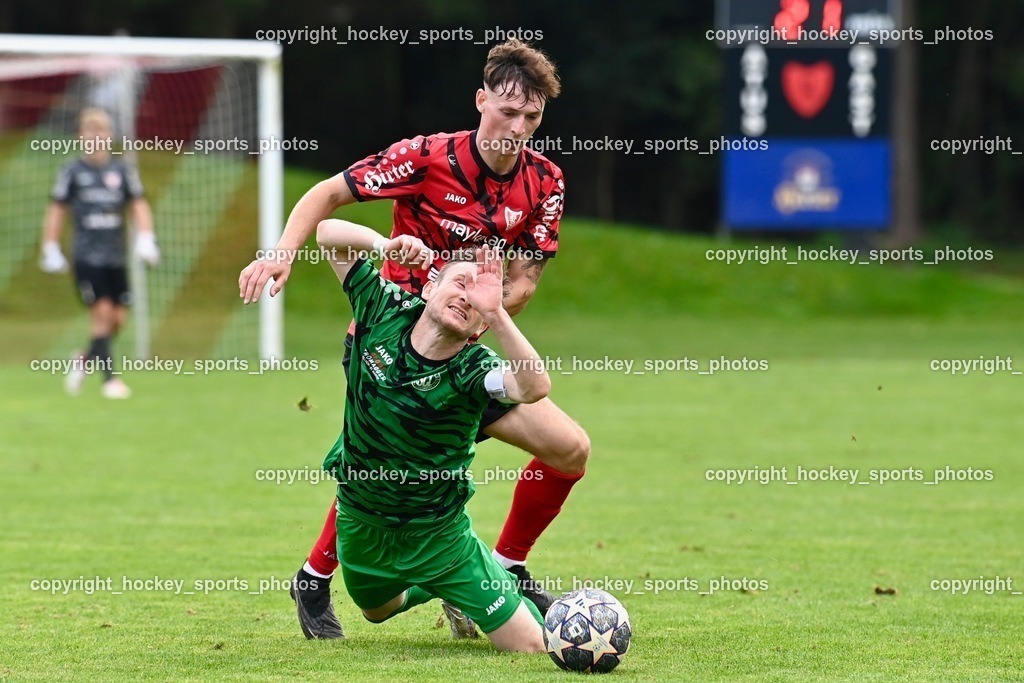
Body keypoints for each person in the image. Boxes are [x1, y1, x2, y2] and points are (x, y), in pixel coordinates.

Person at [238, 38, 589, 639]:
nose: (518, 127)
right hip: (390, 333)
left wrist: (476, 307)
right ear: (481, 101)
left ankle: (504, 565)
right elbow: (328, 196)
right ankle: (318, 574)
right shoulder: (427, 157)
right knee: (386, 466)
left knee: (569, 449)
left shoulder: (546, 182)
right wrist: (281, 254)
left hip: (462, 349)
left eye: (532, 116)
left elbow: (526, 279)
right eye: (508, 110)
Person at [312, 218, 549, 652]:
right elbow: (327, 233)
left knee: (531, 646)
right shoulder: (381, 306)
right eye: (460, 282)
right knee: (376, 611)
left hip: (440, 536)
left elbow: (534, 387)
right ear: (429, 286)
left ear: (479, 326)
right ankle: (440, 591)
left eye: (477, 300)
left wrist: (496, 312)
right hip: (361, 522)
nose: (467, 297)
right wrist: (384, 244)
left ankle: (493, 593)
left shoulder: (474, 369)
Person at [39, 107, 160, 399]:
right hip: (86, 258)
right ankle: (110, 381)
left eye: (101, 132)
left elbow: (138, 204)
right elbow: (57, 208)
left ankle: (84, 359)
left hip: (116, 258)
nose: (95, 138)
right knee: (103, 313)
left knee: (118, 320)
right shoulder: (72, 171)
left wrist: (146, 237)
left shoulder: (121, 171)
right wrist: (50, 245)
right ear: (81, 136)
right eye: (89, 132)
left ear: (109, 136)